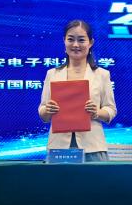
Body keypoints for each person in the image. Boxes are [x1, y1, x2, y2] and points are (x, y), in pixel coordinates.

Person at [38, 20, 117, 161]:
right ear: (64, 41)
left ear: (90, 43)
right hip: (59, 147)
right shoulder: (52, 74)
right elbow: (43, 112)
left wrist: (97, 112)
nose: (75, 45)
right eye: (70, 39)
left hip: (92, 147)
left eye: (81, 40)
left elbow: (111, 110)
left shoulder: (102, 74)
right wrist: (47, 110)